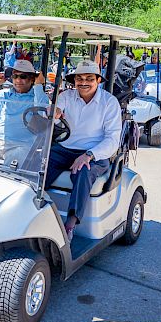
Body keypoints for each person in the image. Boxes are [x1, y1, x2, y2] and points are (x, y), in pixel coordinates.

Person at [45, 60, 122, 241]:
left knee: (83, 171)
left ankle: (70, 224)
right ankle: (31, 210)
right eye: (80, 78)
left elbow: (112, 140)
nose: (84, 82)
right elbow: (56, 112)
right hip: (66, 147)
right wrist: (53, 112)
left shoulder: (109, 103)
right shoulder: (66, 96)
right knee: (40, 161)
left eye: (89, 78)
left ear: (98, 80)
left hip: (96, 152)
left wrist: (88, 155)